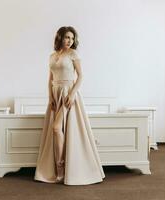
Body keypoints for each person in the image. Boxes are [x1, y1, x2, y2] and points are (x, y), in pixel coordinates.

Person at [34, 26, 105, 185]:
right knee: (56, 129)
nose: (69, 41)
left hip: (67, 94)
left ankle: (61, 168)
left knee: (56, 128)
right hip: (55, 94)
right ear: (60, 37)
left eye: (72, 39)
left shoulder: (73, 54)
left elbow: (80, 76)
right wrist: (50, 97)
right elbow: (50, 79)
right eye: (66, 37)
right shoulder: (52, 56)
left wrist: (72, 94)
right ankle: (59, 168)